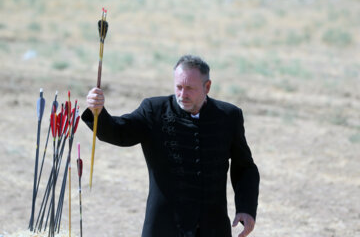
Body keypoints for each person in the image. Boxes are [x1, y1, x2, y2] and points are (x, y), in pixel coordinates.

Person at [82, 55, 260, 237]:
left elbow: (245, 168)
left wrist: (246, 208)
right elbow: (119, 132)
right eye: (179, 87)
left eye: (190, 88)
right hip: (164, 227)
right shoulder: (154, 110)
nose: (183, 95)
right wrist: (98, 113)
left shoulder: (229, 116)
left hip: (212, 227)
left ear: (207, 87)